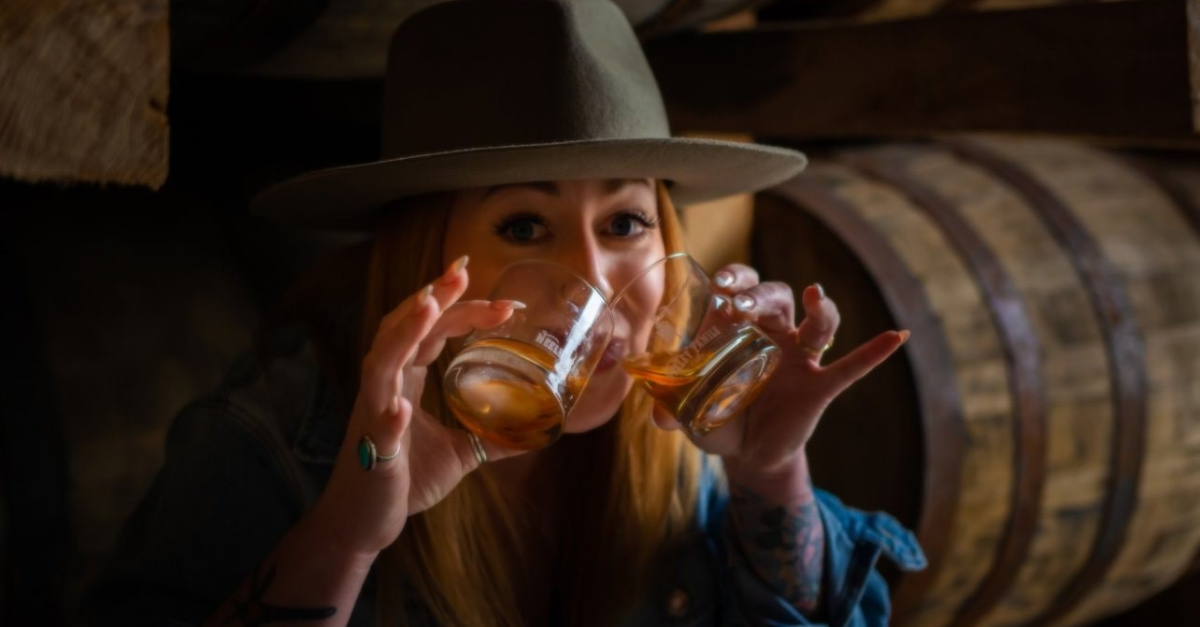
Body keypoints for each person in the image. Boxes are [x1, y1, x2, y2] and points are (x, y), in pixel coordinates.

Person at [82, 0, 925, 625]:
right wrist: (344, 536)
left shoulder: (680, 437)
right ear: (431, 260)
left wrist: (770, 473)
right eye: (525, 225)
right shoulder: (268, 443)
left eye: (625, 223)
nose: (593, 281)